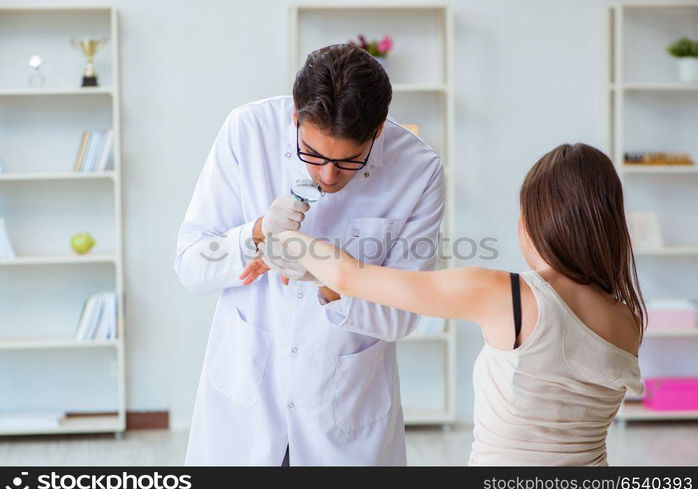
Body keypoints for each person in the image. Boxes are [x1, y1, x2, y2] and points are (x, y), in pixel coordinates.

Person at [267, 143, 645, 466]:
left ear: (536, 219)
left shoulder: (507, 295)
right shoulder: (627, 318)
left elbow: (350, 276)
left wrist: (283, 234)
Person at [174, 44, 445, 465]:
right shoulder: (248, 132)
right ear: (295, 117)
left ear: (377, 132)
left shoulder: (419, 171)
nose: (328, 175)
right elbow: (192, 267)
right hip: (246, 407)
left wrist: (327, 274)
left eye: (350, 161)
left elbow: (402, 316)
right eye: (313, 155)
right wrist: (258, 231)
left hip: (344, 415)